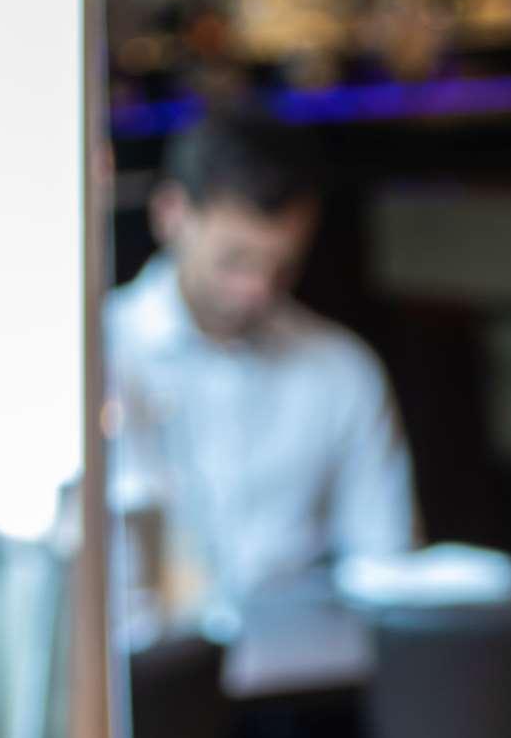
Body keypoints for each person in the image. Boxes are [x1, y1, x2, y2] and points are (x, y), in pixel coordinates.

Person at [106, 107, 416, 612]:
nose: (255, 290)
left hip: (305, 676)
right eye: (234, 261)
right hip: (154, 671)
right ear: (171, 214)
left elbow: (388, 566)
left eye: (281, 267)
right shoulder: (103, 358)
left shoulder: (341, 369)